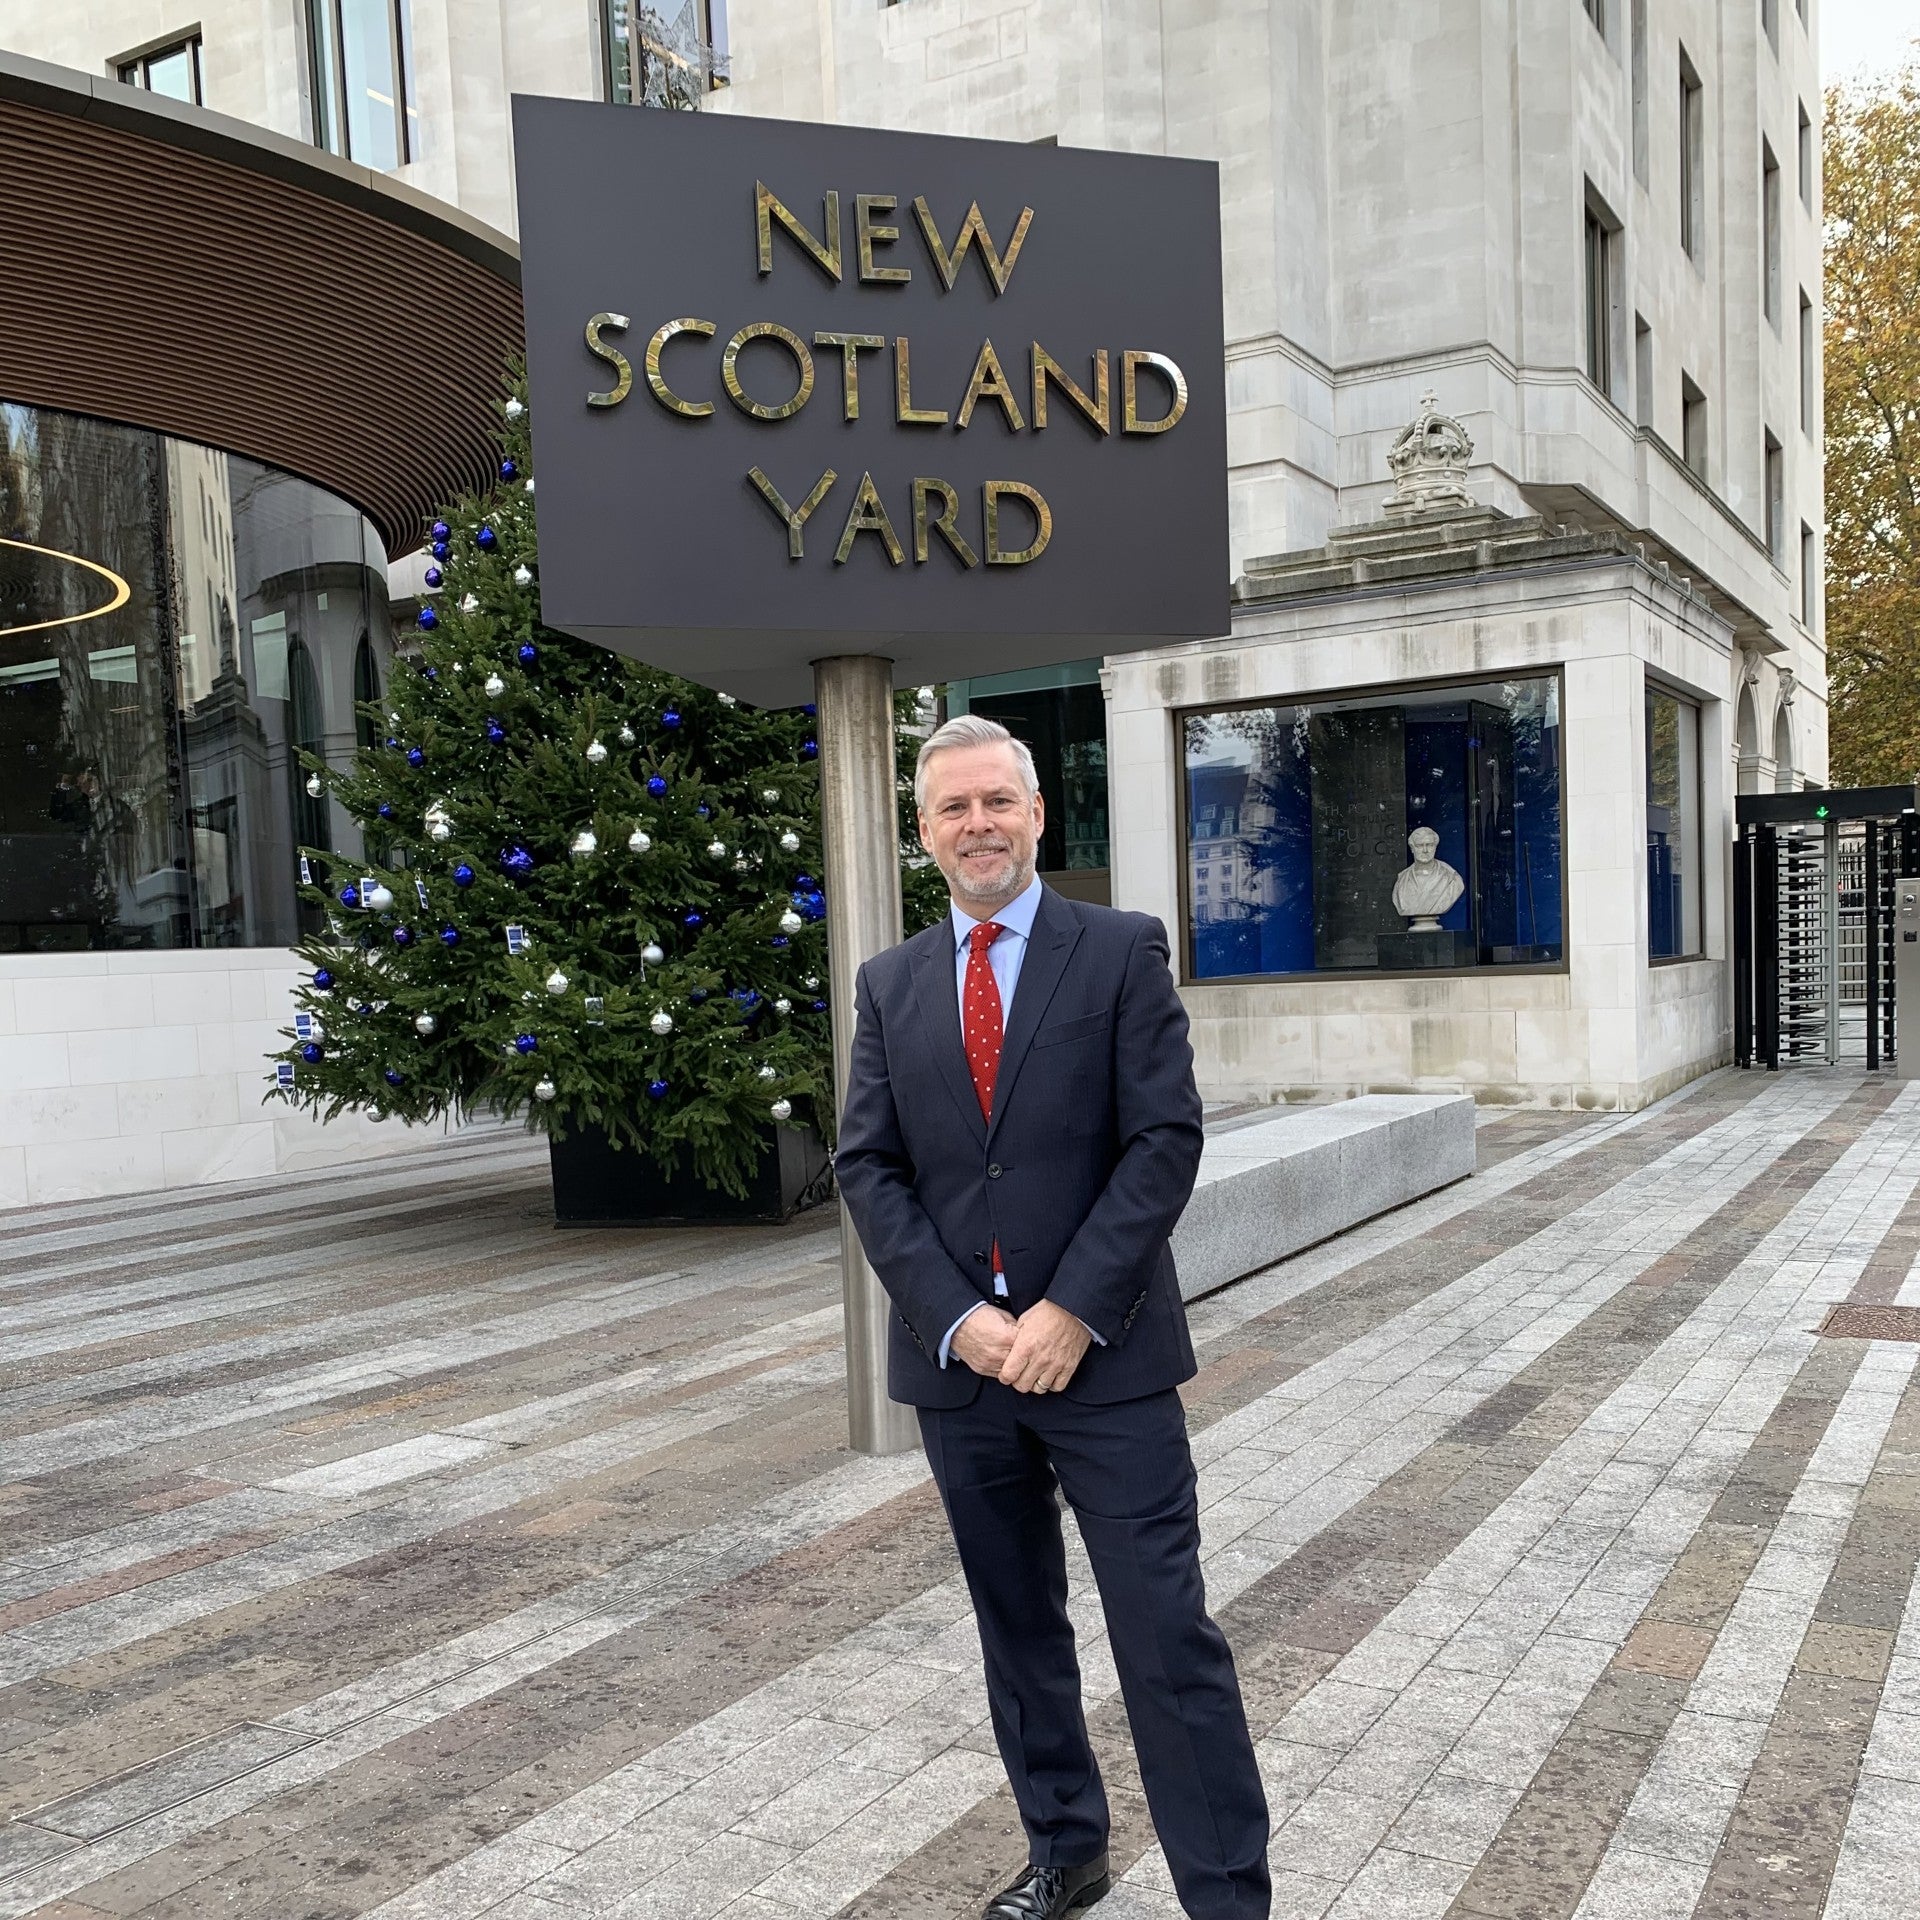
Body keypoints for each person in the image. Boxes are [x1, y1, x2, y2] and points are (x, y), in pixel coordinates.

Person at [836, 715, 1270, 1920]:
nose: (976, 825)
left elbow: (1163, 1140)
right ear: (925, 834)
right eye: (951, 809)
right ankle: (1064, 1849)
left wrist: (1072, 1310)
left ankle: (1228, 1897)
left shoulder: (1119, 950)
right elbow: (869, 1166)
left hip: (1107, 1363)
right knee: (1017, 1628)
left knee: (1164, 1639)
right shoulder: (893, 983)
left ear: (1037, 814)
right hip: (963, 1374)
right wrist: (956, 1320)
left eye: (996, 802)